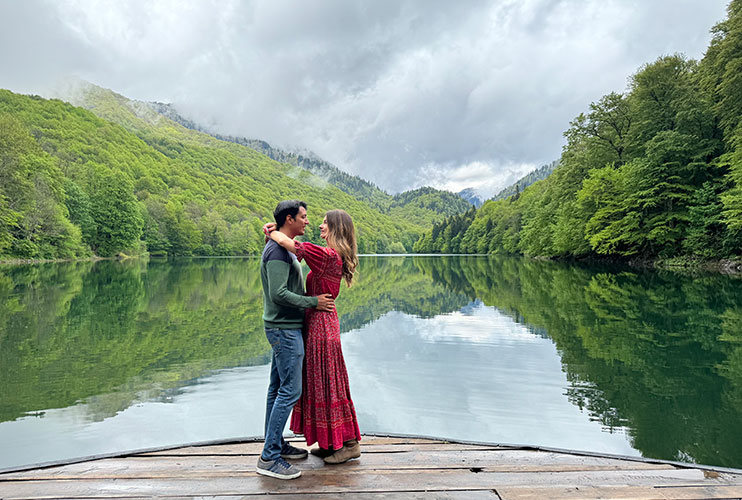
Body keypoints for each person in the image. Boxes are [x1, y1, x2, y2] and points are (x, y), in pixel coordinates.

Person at [263, 209, 362, 465]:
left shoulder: (329, 255)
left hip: (321, 326)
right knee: (325, 384)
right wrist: (274, 236)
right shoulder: (330, 255)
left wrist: (272, 232)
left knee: (327, 384)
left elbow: (290, 244)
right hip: (319, 323)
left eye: (325, 224)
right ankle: (333, 442)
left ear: (336, 229)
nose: (319, 226)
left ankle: (349, 445)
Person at [257, 200, 335, 480]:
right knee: (290, 390)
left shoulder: (284, 246)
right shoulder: (277, 251)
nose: (307, 222)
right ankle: (269, 458)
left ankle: (274, 444)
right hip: (284, 329)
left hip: (284, 327)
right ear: (289, 219)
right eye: (303, 217)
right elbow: (278, 293)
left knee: (276, 388)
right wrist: (313, 301)